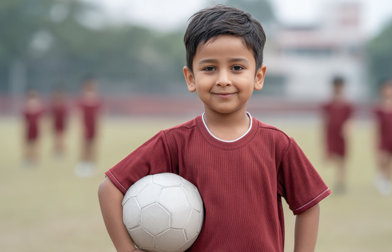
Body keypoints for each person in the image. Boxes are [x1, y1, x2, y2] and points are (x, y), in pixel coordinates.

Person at [98, 5, 330, 252]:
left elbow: (308, 206)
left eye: (237, 68)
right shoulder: (173, 143)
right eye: (209, 68)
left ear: (258, 77)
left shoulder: (278, 144)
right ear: (190, 78)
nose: (223, 79)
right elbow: (110, 190)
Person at [321, 76, 353, 193]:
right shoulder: (328, 105)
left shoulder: (347, 105)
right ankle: (329, 184)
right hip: (331, 134)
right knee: (331, 158)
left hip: (342, 136)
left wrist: (347, 127)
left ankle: (340, 182)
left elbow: (351, 119)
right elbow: (324, 121)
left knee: (342, 160)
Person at [373, 79, 392, 195]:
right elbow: (375, 126)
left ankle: (389, 182)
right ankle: (381, 176)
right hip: (383, 138)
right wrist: (374, 140)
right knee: (383, 159)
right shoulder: (379, 108)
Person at [75, 76, 102, 177]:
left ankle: (91, 164)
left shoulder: (96, 99)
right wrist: (81, 127)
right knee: (84, 145)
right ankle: (82, 164)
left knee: (93, 145)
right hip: (85, 125)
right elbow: (79, 114)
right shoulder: (82, 99)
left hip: (93, 126)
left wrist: (99, 127)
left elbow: (99, 114)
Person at [22, 89, 45, 168]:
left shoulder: (39, 109)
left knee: (36, 145)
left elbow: (41, 121)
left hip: (36, 130)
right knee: (28, 145)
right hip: (28, 130)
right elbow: (24, 122)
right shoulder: (26, 109)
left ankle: (35, 159)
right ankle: (27, 159)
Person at [49, 86, 69, 158]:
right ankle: (56, 150)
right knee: (55, 137)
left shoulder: (64, 104)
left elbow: (66, 115)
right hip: (55, 122)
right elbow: (51, 115)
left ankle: (61, 150)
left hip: (62, 122)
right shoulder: (53, 104)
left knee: (61, 137)